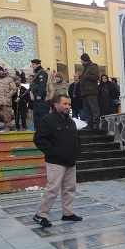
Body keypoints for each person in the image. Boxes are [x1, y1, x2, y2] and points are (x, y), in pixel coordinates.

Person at [32, 94, 83, 228]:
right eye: (65, 104)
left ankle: (67, 213)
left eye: (69, 104)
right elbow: (38, 139)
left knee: (70, 189)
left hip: (70, 162)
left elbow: (76, 139)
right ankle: (40, 215)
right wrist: (53, 151)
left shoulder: (70, 122)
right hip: (55, 162)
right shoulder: (47, 121)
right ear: (56, 105)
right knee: (52, 189)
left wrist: (77, 152)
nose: (67, 107)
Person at [79, 53, 100, 129]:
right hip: (85, 92)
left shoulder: (93, 66)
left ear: (84, 60)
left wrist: (86, 76)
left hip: (91, 91)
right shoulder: (86, 67)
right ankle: (90, 123)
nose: (81, 62)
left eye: (81, 60)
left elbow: (96, 77)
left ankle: (96, 124)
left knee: (94, 108)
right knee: (87, 109)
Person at [30, 59, 48, 127]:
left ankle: (42, 127)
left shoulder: (41, 73)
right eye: (32, 64)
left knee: (40, 112)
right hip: (36, 94)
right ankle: (37, 127)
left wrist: (40, 94)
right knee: (36, 112)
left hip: (39, 95)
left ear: (38, 64)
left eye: (34, 64)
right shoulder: (38, 73)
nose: (32, 66)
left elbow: (43, 85)